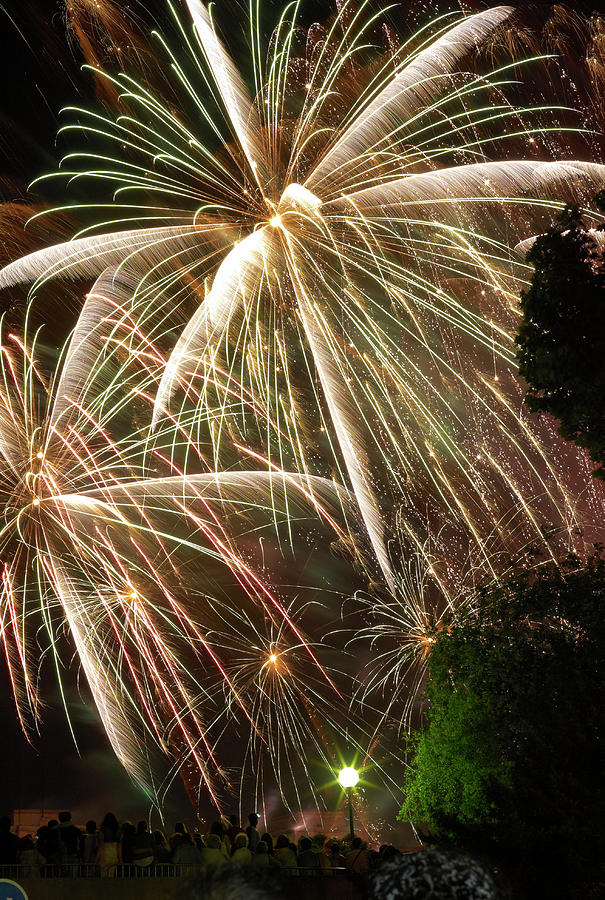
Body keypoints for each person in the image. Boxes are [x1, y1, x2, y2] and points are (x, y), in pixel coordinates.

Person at [97, 812, 121, 877]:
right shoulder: (117, 831)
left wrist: (97, 858)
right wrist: (120, 858)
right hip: (114, 854)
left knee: (103, 875)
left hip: (105, 854)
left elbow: (101, 846)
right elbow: (119, 846)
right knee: (111, 875)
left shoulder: (103, 830)